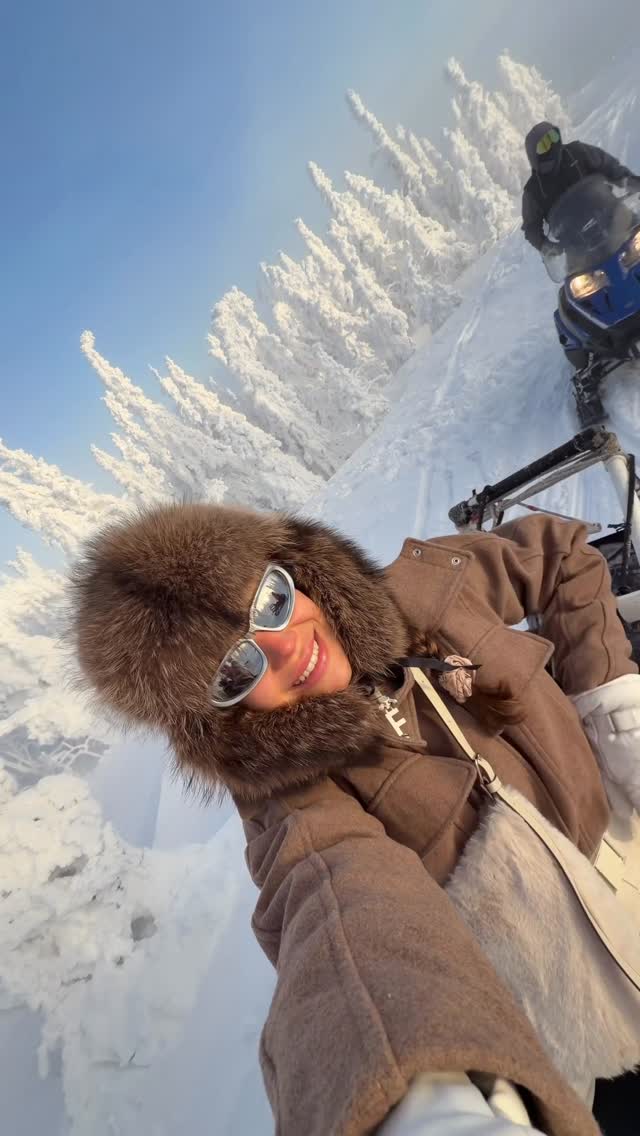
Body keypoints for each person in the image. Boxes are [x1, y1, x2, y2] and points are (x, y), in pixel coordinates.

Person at [69, 501, 640, 1136]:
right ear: (217, 716)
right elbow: (331, 902)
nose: (286, 647)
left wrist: (613, 704)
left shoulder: (428, 592)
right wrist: (413, 1092)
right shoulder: (294, 793)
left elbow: (560, 553)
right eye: (234, 669)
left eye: (270, 601)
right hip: (556, 998)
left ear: (293, 567)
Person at [521, 121, 635, 253]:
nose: (552, 144)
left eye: (553, 136)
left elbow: (607, 165)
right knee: (579, 267)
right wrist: (545, 245)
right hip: (577, 246)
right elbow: (531, 227)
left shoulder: (577, 152)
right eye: (544, 145)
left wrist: (629, 180)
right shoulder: (533, 190)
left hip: (613, 216)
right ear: (534, 155)